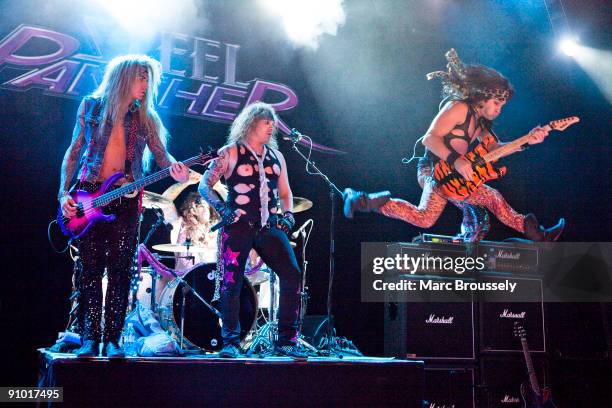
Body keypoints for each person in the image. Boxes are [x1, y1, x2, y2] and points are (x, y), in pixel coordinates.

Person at [343, 49, 565, 242]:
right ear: (484, 97)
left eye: (502, 105)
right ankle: (361, 200)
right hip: (432, 170)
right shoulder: (458, 107)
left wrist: (527, 140)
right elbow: (429, 139)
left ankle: (539, 236)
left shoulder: (481, 123)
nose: (499, 109)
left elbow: (494, 150)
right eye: (497, 103)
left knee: (477, 203)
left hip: (453, 174)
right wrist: (457, 162)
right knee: (448, 211)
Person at [58, 54, 189, 358]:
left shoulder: (146, 118)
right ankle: (90, 338)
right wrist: (63, 193)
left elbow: (161, 155)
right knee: (90, 268)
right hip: (89, 194)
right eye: (141, 78)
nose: (146, 85)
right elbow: (74, 150)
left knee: (120, 270)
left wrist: (175, 168)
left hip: (127, 199)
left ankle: (113, 339)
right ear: (124, 77)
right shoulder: (92, 106)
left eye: (149, 79)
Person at [198, 102, 306, 358]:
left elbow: (286, 192)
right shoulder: (230, 152)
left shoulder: (277, 157)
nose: (272, 126)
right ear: (251, 123)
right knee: (230, 284)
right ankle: (230, 343)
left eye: (273, 122)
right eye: (266, 121)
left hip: (268, 227)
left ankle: (286, 340)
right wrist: (223, 210)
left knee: (292, 275)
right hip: (238, 227)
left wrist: (288, 216)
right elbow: (205, 185)